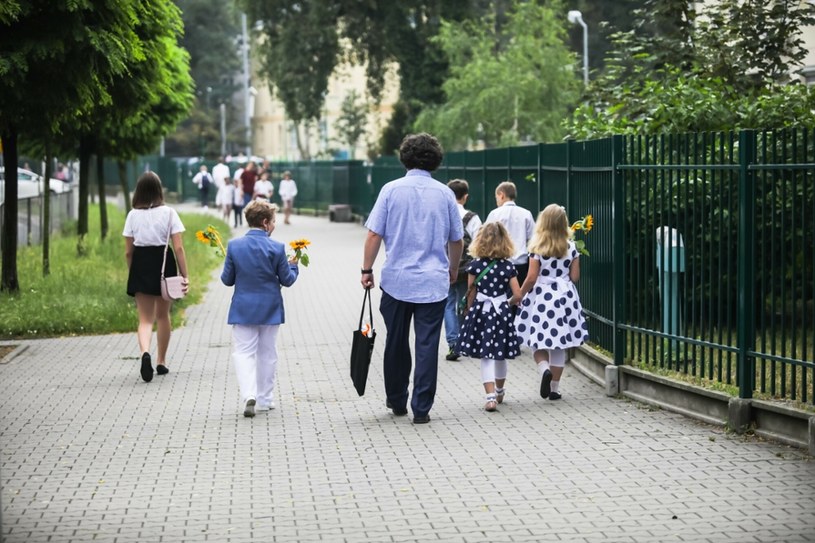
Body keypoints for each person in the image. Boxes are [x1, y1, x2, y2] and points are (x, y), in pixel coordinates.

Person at [361, 133, 463, 425]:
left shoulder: (390, 190)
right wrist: (453, 269)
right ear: (435, 159)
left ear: (404, 157)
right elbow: (456, 240)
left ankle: (396, 400)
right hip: (433, 281)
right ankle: (422, 408)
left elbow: (373, 234)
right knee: (428, 345)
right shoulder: (445, 194)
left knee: (396, 341)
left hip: (396, 281)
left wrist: (366, 270)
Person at [220, 200, 299, 417]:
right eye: (273, 221)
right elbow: (288, 280)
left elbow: (227, 280)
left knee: (243, 353)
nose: (274, 225)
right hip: (270, 308)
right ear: (265, 222)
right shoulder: (277, 247)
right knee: (267, 353)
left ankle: (249, 395)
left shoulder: (234, 246)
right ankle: (265, 399)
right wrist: (294, 265)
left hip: (243, 308)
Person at [512, 204, 588, 401]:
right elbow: (575, 276)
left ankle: (544, 369)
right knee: (559, 344)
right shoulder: (571, 247)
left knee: (536, 339)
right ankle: (554, 389)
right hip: (564, 297)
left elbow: (531, 277)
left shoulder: (537, 248)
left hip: (542, 298)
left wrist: (519, 294)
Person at [123, 172, 189, 382]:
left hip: (141, 263)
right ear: (159, 190)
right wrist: (184, 275)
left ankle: (145, 353)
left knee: (144, 319)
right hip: (164, 262)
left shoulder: (133, 215)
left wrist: (133, 271)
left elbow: (128, 251)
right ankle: (161, 361)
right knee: (163, 316)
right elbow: (178, 247)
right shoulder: (169, 213)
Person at [458, 222, 521, 411]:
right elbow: (517, 295)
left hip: (481, 313)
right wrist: (505, 303)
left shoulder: (475, 266)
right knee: (499, 353)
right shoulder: (508, 267)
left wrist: (470, 311)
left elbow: (471, 293)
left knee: (486, 355)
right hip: (501, 313)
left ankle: (490, 397)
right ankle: (500, 391)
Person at [443, 179, 482, 361]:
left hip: (445, 267)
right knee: (466, 303)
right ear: (465, 197)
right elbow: (480, 243)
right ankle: (466, 342)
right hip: (467, 269)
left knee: (449, 305)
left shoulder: (442, 214)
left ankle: (453, 343)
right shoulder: (472, 218)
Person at [484, 181, 535, 289]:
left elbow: (486, 238)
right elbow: (533, 239)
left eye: (496, 197)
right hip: (521, 264)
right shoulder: (526, 214)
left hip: (499, 263)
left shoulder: (494, 214)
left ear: (501, 195)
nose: (496, 201)